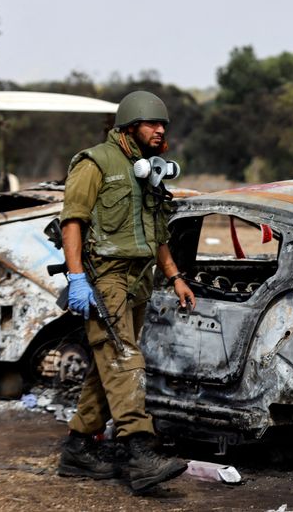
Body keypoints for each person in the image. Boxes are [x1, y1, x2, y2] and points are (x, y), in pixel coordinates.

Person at [55, 90, 196, 493]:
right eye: (152, 124)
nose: (160, 130)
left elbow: (158, 231)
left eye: (163, 125)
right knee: (124, 358)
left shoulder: (147, 168)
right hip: (106, 276)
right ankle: (138, 449)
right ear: (131, 125)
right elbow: (73, 222)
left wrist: (174, 276)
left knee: (110, 366)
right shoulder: (95, 162)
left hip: (140, 278)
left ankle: (79, 448)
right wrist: (78, 276)